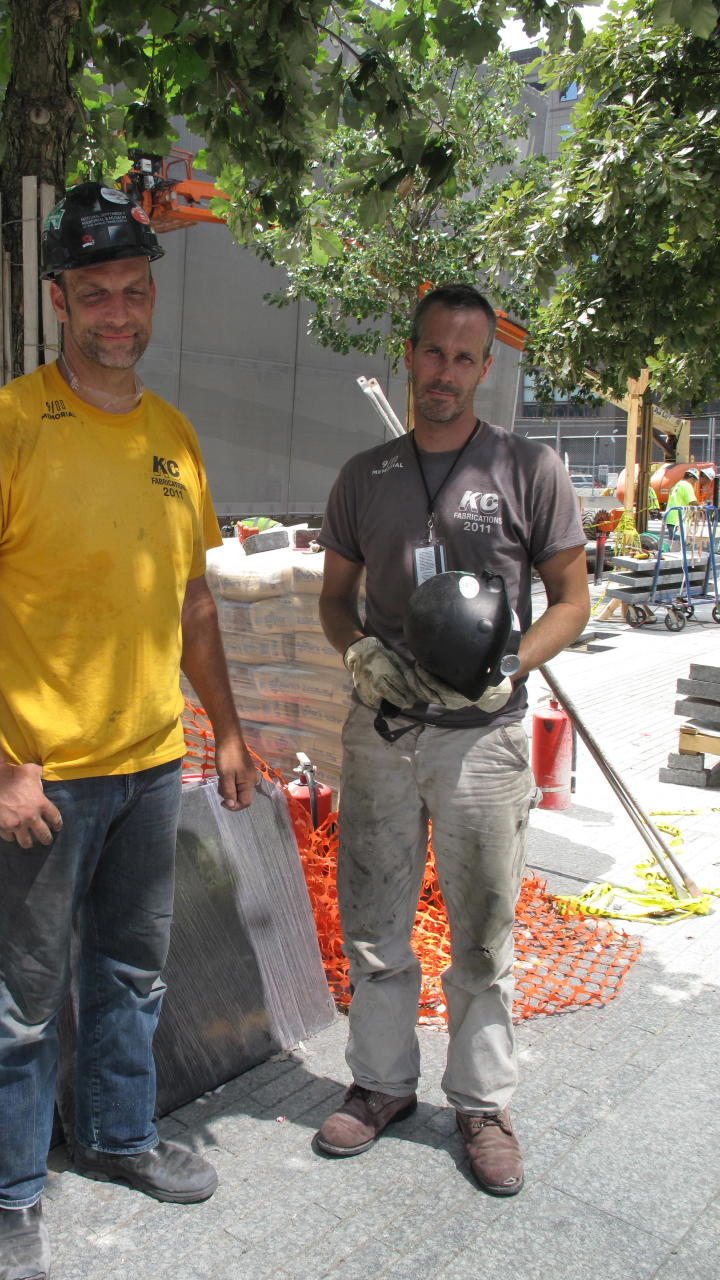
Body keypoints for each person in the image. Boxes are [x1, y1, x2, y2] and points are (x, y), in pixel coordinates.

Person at [0, 182, 258, 1280]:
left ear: (152, 297)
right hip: (43, 783)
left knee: (132, 972)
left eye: (134, 290)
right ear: (60, 300)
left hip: (154, 765)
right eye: (95, 292)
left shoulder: (173, 438)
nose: (119, 311)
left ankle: (118, 1135)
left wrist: (229, 730)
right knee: (21, 998)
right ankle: (12, 1192)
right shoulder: (0, 430)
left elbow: (193, 601)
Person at [315, 283, 589, 1196]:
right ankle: (382, 1083)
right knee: (376, 923)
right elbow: (331, 598)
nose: (446, 373)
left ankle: (480, 1104)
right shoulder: (366, 475)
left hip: (484, 741)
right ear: (411, 350)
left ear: (486, 366)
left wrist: (515, 665)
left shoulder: (529, 468)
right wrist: (358, 653)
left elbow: (573, 599)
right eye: (433, 352)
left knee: (481, 932)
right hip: (384, 733)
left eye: (465, 358)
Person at [663, 470, 699, 544]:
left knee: (673, 544)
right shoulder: (687, 485)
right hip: (678, 519)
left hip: (672, 518)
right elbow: (692, 502)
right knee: (678, 545)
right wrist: (702, 506)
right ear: (691, 478)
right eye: (694, 481)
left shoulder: (677, 484)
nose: (694, 483)